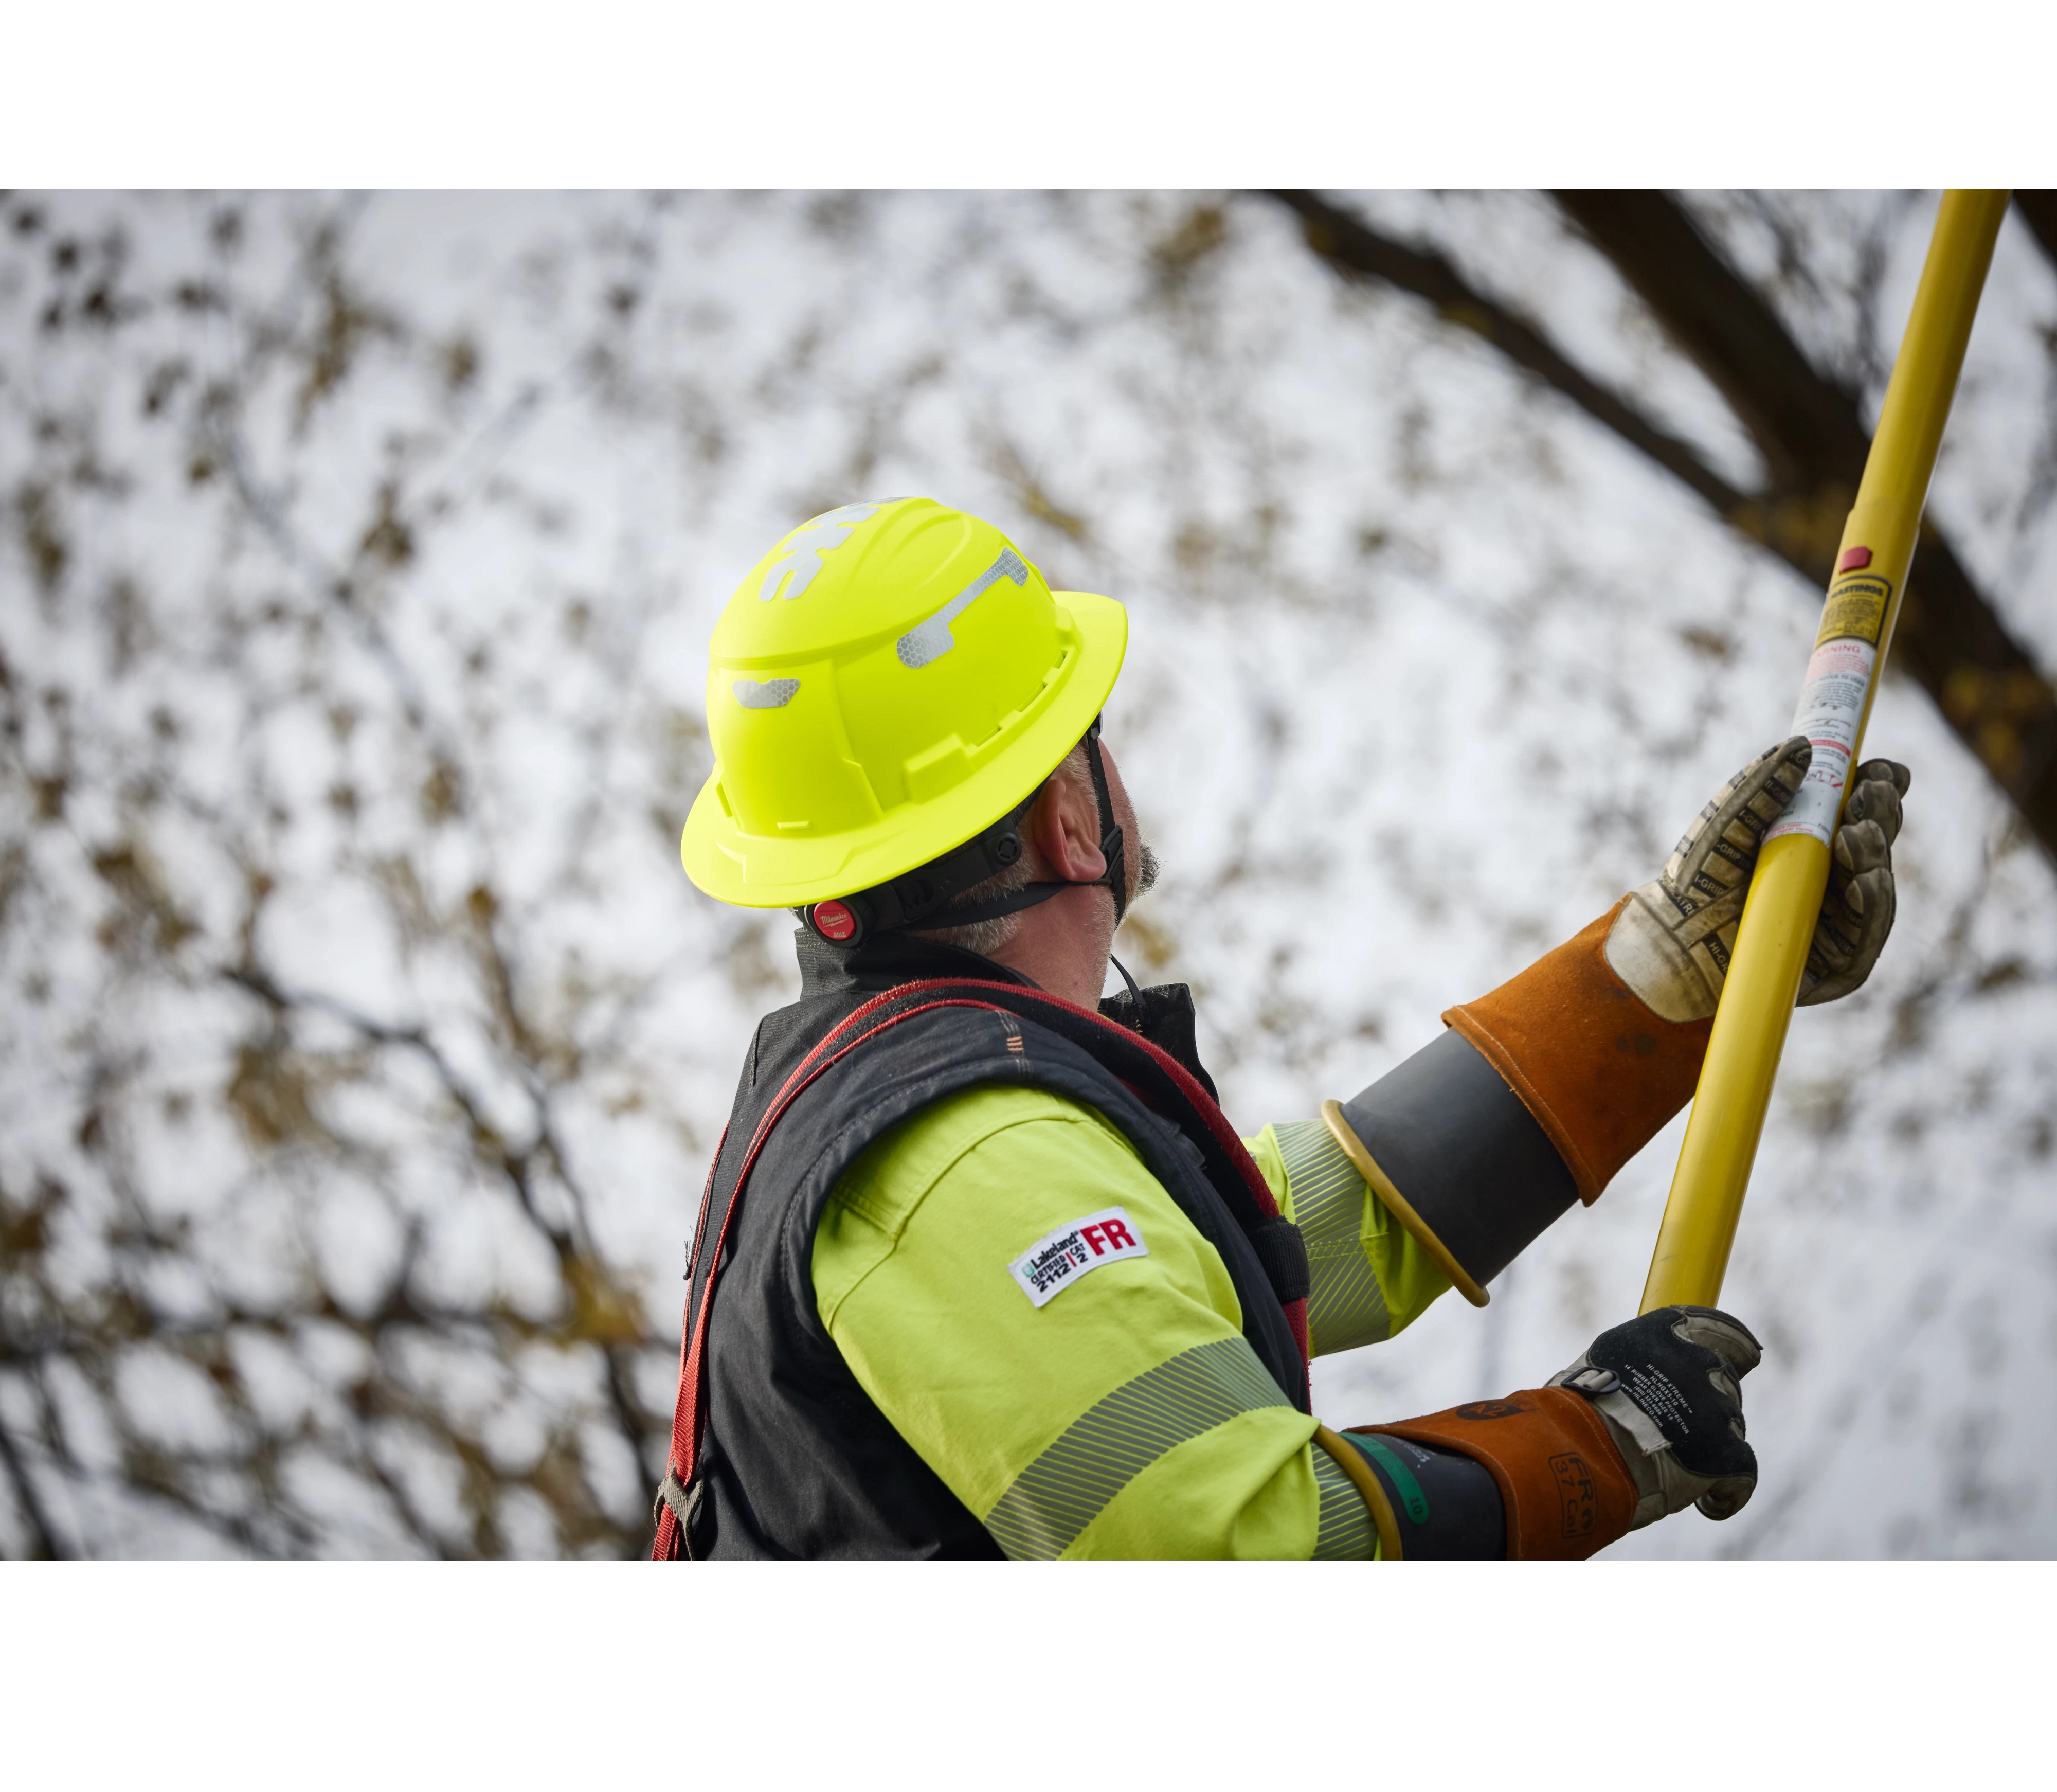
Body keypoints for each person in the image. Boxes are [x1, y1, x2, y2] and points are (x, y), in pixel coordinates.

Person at [653, 497, 1909, 1561]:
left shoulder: (946, 1126)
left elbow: (1311, 1223)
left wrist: (1668, 981)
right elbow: (1246, 1539)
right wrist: (1589, 1448)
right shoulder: (956, 1159)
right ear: (1069, 821)